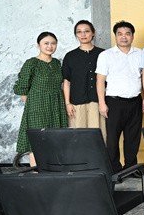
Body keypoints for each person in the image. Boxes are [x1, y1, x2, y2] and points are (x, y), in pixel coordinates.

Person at [96, 21, 143, 172]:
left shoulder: (141, 54)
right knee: (112, 137)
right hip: (114, 102)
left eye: (127, 34)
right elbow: (100, 80)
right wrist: (102, 103)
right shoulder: (106, 55)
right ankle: (114, 169)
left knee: (133, 137)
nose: (124, 37)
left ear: (133, 36)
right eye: (120, 34)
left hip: (135, 101)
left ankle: (131, 168)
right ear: (115, 36)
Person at [14, 31, 68, 166]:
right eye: (46, 43)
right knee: (37, 141)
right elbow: (21, 87)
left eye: (53, 43)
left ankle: (51, 171)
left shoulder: (57, 63)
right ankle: (35, 171)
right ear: (39, 45)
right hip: (37, 106)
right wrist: (31, 105)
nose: (50, 46)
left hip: (56, 106)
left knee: (55, 138)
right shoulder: (32, 63)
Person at [62, 20, 105, 137]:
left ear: (93, 33)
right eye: (79, 32)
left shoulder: (103, 54)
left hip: (98, 102)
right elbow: (66, 82)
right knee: (78, 137)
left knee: (98, 136)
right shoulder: (70, 56)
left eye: (86, 31)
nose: (83, 35)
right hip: (76, 103)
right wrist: (67, 103)